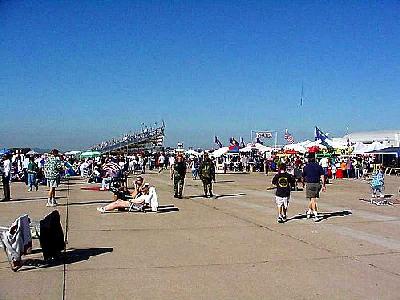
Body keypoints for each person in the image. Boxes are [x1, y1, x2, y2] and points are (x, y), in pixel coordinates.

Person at [302, 153, 326, 221]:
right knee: (312, 199)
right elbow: (322, 176)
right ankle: (309, 212)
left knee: (313, 200)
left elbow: (303, 176)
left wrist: (303, 183)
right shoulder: (318, 166)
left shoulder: (306, 167)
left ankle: (315, 215)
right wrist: (324, 185)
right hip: (317, 184)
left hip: (309, 183)